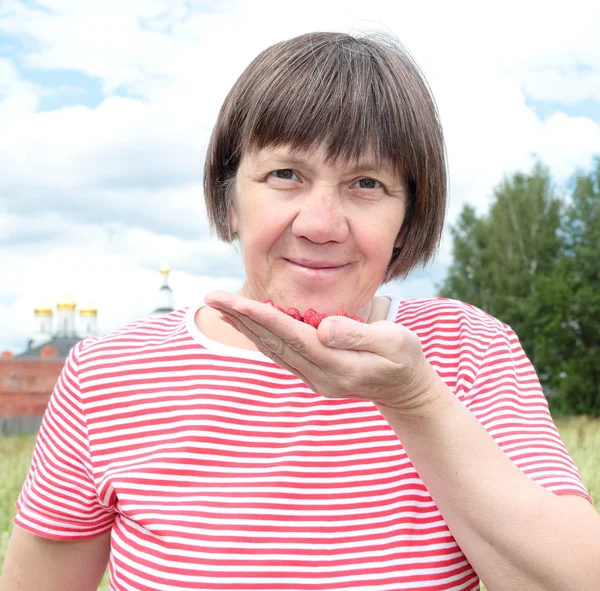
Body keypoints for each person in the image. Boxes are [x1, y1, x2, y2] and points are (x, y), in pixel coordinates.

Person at [1, 31, 599, 591]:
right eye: (285, 174)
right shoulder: (107, 375)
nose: (320, 225)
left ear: (407, 220)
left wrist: (414, 401)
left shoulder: (469, 350)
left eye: (366, 184)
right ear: (228, 197)